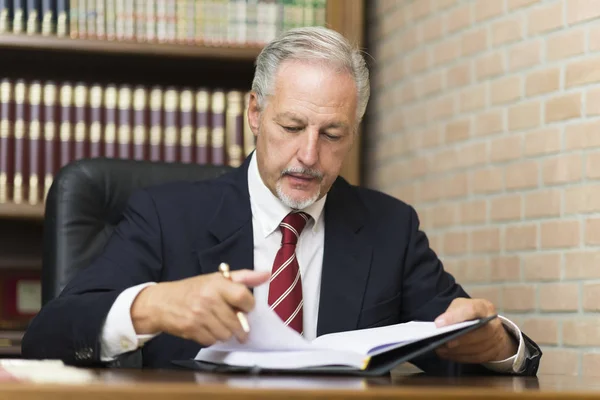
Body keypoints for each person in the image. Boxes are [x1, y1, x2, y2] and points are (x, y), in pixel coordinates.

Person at [22, 26, 541, 376]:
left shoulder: (390, 227)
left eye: (333, 134)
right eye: (291, 126)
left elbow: (461, 338)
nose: (309, 155)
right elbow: (48, 334)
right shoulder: (167, 217)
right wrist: (153, 305)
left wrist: (499, 346)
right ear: (254, 112)